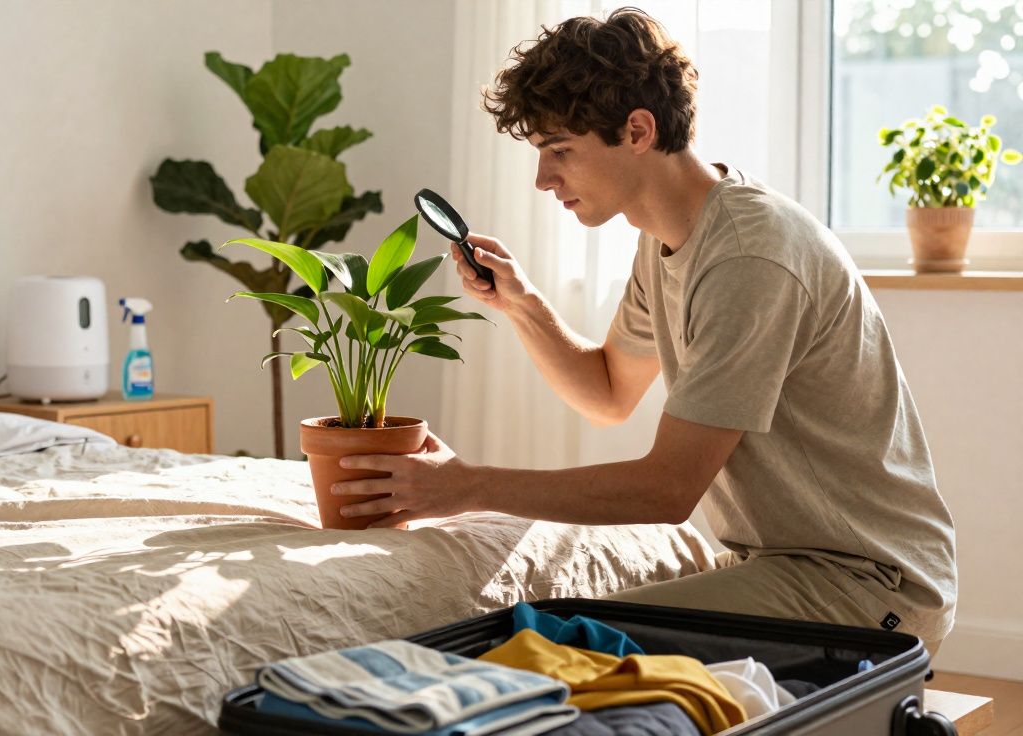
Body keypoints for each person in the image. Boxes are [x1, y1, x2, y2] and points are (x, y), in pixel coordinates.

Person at [333, 7, 956, 653]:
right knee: (541, 632)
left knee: (552, 645)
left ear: (637, 130)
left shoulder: (749, 256)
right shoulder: (667, 239)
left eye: (559, 151)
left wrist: (465, 486)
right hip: (786, 565)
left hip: (867, 586)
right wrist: (522, 305)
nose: (543, 180)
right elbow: (607, 393)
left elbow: (667, 489)